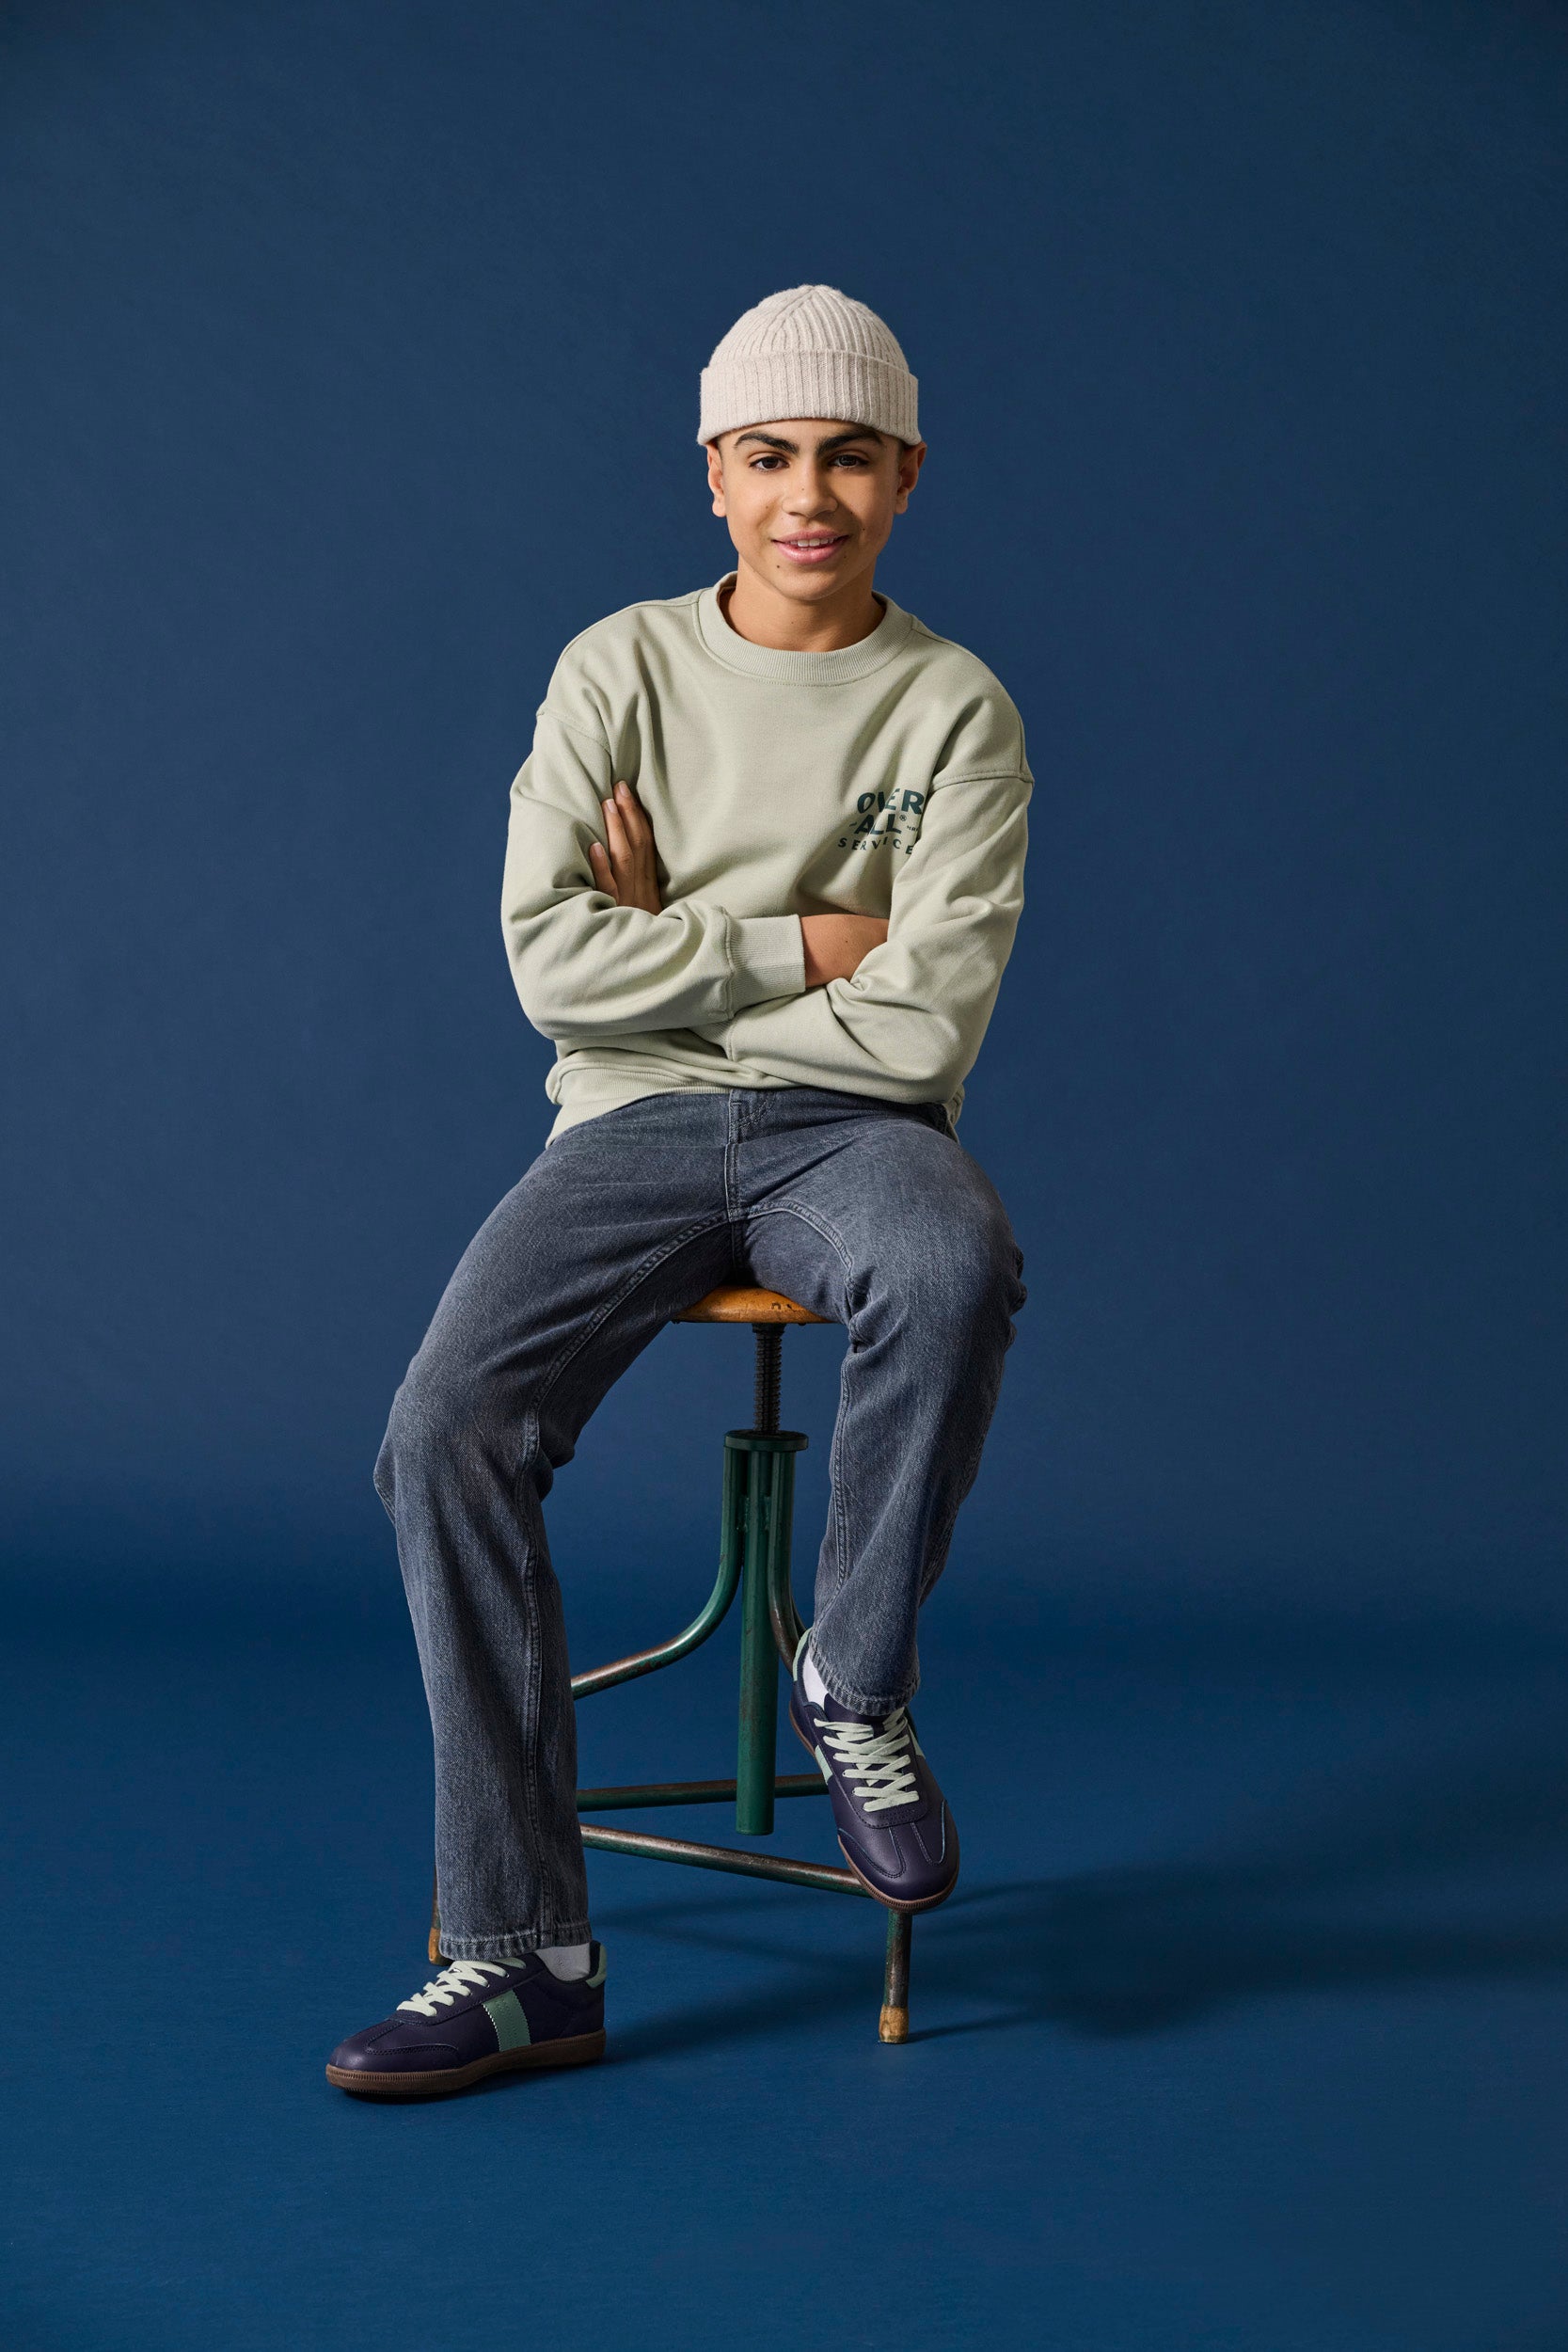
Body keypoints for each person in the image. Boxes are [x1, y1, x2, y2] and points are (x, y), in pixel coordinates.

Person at [325, 285, 1032, 2099]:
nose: (811, 496)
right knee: (442, 1435)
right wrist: (810, 937)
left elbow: (926, 1018)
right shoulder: (617, 670)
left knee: (952, 1265)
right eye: (771, 456)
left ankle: (851, 1681)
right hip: (628, 1126)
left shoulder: (952, 709)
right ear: (714, 473)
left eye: (851, 458)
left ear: (908, 476)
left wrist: (677, 941)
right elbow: (553, 971)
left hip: (856, 1131)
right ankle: (524, 1955)